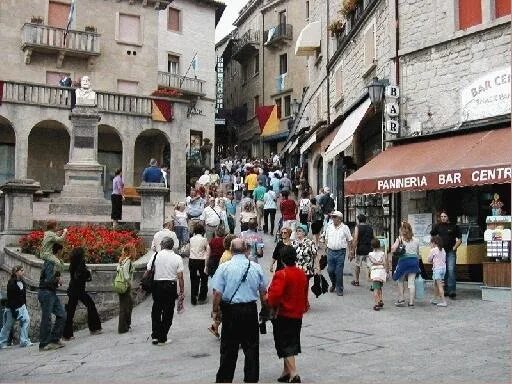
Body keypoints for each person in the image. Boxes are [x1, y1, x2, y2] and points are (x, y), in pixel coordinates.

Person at [211, 238, 268, 383]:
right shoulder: (255, 267)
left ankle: (224, 379)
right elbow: (263, 292)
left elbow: (217, 292)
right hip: (249, 309)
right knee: (251, 348)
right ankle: (251, 379)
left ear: (230, 249)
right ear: (246, 250)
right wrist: (264, 309)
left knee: (229, 348)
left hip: (230, 310)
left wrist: (215, 310)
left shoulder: (224, 267)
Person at [268, 246, 308, 384]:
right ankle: (286, 371)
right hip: (297, 313)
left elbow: (275, 295)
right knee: (291, 341)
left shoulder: (281, 274)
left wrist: (270, 304)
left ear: (282, 259)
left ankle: (294, 373)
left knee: (285, 344)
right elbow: (304, 292)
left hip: (284, 313)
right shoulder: (301, 273)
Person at [146, 237, 184, 346]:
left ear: (162, 244)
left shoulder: (156, 255)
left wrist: (142, 283)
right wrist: (181, 291)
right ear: (172, 246)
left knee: (156, 310)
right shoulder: (177, 258)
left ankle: (155, 335)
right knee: (168, 312)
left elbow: (148, 270)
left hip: (157, 285)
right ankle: (162, 337)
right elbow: (180, 277)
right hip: (170, 285)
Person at [63, 247, 102, 340]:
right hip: (79, 290)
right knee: (90, 305)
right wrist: (89, 272)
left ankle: (67, 334)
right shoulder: (81, 263)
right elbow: (81, 275)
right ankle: (94, 328)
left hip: (73, 289)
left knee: (70, 312)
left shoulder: (73, 263)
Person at [38, 243, 66, 351]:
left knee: (62, 315)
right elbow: (48, 279)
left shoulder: (55, 262)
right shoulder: (50, 262)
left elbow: (51, 279)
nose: (63, 252)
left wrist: (57, 282)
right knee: (47, 318)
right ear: (58, 251)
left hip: (51, 292)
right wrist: (58, 280)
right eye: (62, 250)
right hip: (46, 293)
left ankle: (54, 339)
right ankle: (44, 343)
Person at [430, 210, 461, 299]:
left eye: (445, 216)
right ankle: (446, 289)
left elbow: (459, 239)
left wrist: (454, 248)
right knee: (443, 270)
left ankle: (452, 291)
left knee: (451, 269)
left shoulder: (454, 226)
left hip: (451, 251)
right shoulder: (437, 226)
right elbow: (432, 236)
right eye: (442, 216)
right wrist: (433, 247)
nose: (443, 218)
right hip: (441, 251)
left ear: (448, 217)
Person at [0, 266, 32, 348]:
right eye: (21, 270)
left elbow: (23, 296)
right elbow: (11, 298)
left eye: (23, 270)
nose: (23, 272)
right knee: (8, 325)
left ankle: (24, 341)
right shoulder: (11, 283)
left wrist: (25, 306)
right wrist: (14, 310)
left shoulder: (22, 282)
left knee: (26, 320)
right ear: (16, 272)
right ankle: (2, 342)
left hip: (22, 306)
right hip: (12, 308)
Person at [391, 221, 420, 307]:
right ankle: (411, 303)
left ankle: (401, 299)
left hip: (403, 261)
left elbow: (392, 249)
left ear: (402, 230)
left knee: (400, 280)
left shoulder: (400, 239)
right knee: (411, 283)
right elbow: (418, 253)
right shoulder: (416, 240)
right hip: (414, 261)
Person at [324, 211, 353, 296]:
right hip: (330, 251)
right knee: (330, 270)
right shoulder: (329, 227)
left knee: (338, 271)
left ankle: (339, 288)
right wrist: (326, 246)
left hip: (341, 252)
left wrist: (351, 251)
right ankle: (334, 283)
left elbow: (350, 240)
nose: (333, 219)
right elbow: (326, 238)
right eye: (332, 217)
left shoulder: (345, 228)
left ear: (340, 219)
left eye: (335, 217)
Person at [349, 214, 374, 287]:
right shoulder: (370, 228)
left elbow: (356, 238)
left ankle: (356, 281)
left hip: (360, 249)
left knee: (357, 265)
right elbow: (374, 238)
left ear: (358, 220)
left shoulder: (357, 227)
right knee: (370, 266)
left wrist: (353, 250)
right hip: (369, 249)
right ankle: (373, 284)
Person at [189, 224, 210, 305]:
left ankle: (193, 297)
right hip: (201, 260)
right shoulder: (204, 240)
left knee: (193, 279)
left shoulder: (191, 239)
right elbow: (208, 251)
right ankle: (202, 297)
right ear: (202, 231)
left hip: (192, 260)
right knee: (204, 279)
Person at [117, 244, 135, 334]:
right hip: (125, 285)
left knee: (128, 304)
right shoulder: (128, 261)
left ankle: (126, 324)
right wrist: (129, 283)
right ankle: (123, 327)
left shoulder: (122, 260)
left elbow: (118, 269)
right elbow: (125, 273)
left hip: (119, 285)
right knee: (125, 307)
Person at [367, 238, 388, 311]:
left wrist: (369, 274)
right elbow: (385, 263)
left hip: (375, 272)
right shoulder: (383, 254)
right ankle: (381, 300)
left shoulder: (370, 254)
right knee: (379, 287)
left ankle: (376, 304)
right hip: (381, 272)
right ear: (379, 245)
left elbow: (369, 265)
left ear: (372, 246)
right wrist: (387, 271)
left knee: (375, 289)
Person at [428, 235, 448, 307]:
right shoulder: (443, 249)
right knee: (436, 284)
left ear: (434, 243)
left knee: (439, 285)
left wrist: (432, 259)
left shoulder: (433, 250)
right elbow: (444, 259)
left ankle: (443, 301)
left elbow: (429, 259)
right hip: (443, 269)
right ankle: (434, 299)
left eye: (431, 243)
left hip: (437, 269)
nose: (430, 244)